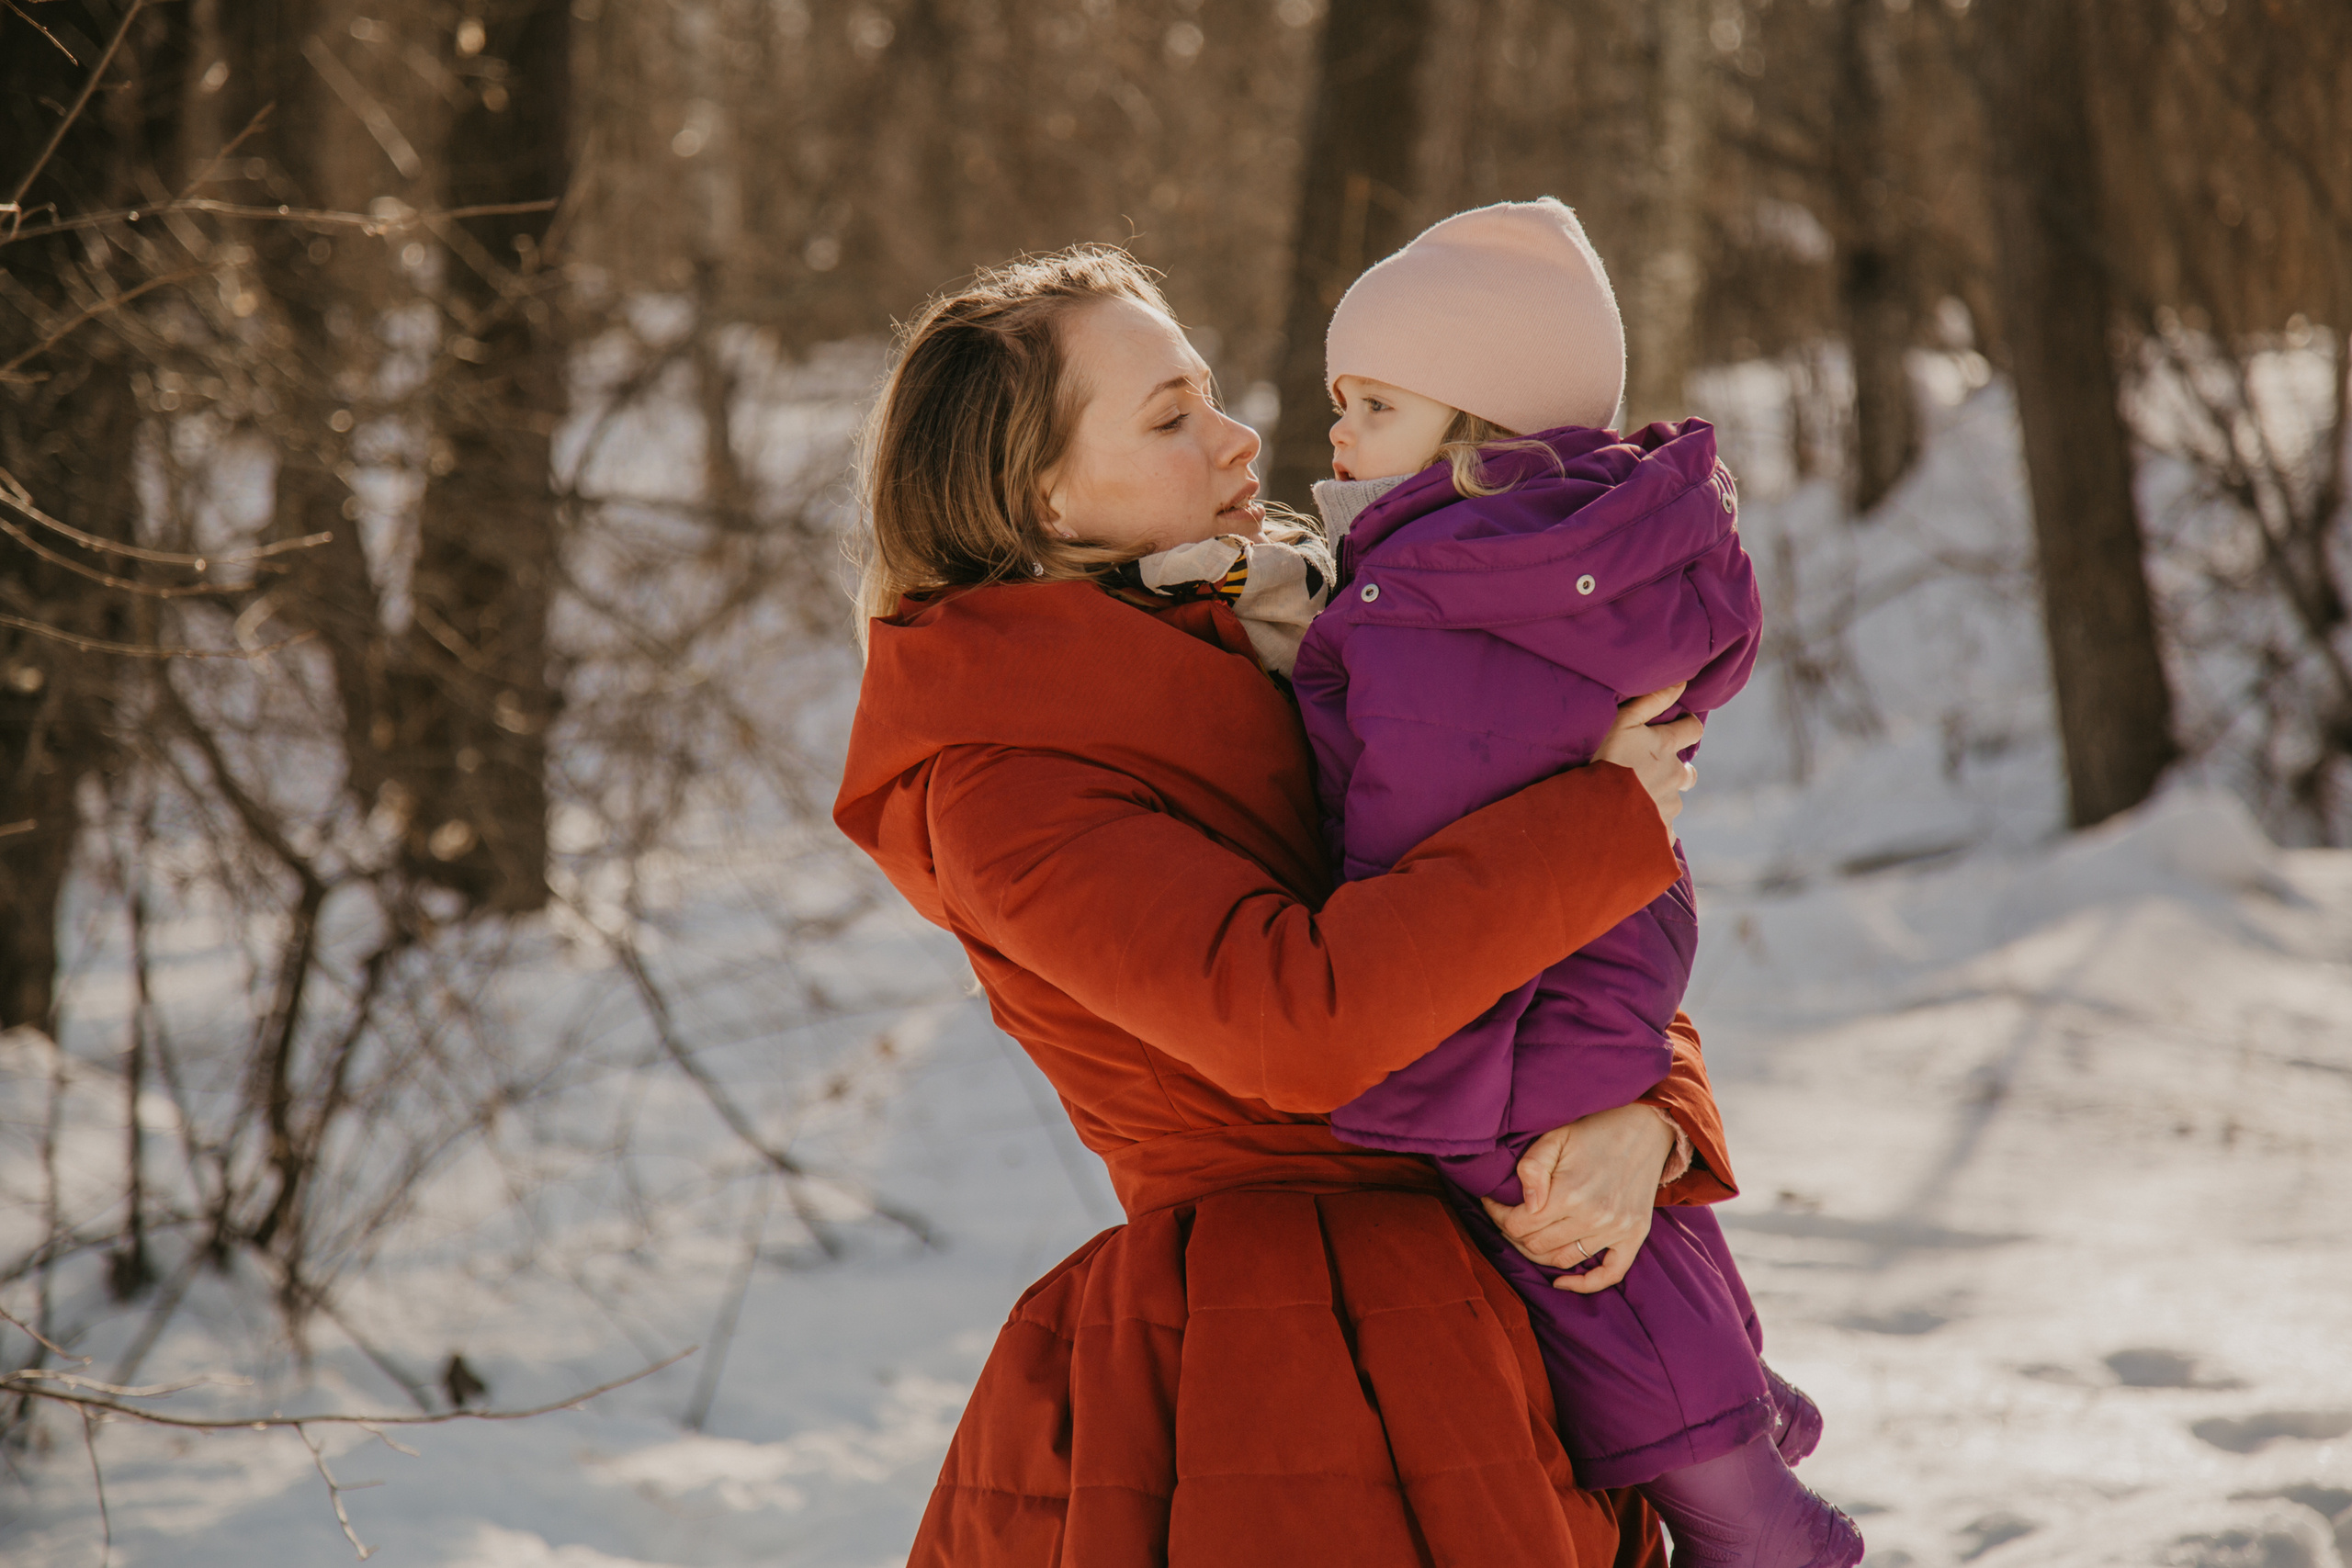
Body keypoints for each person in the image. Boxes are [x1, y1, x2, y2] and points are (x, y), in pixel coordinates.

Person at [834, 243, 1744, 1567]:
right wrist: (1601, 819)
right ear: (1042, 497)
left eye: (1206, 390)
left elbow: (1567, 949)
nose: (1237, 432)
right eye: (1168, 418)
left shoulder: (1321, 620)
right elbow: (1297, 1024)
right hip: (1282, 1360)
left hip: (1503, 1308)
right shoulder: (997, 774)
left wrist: (1647, 1120)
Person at [1134, 200, 1861, 1568]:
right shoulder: (1549, 560)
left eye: (1377, 404)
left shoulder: (1444, 600)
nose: (1334, 435)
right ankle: (1736, 1400)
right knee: (1591, 1177)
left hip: (1515, 973)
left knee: (1558, 1226)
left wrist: (1416, 1076)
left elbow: (1414, 829)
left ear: (1480, 433)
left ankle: (1745, 1502)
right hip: (1595, 937)